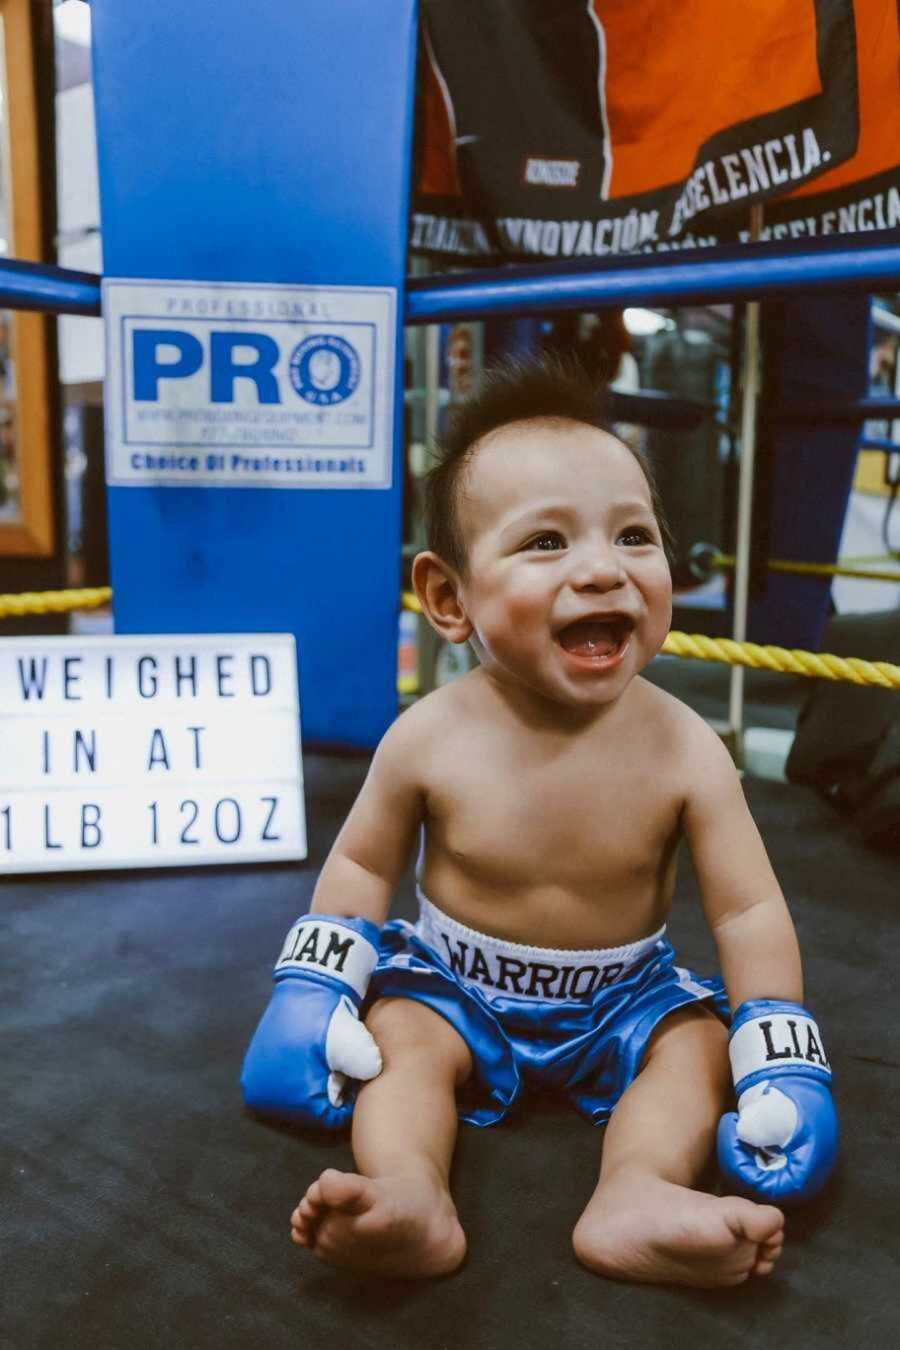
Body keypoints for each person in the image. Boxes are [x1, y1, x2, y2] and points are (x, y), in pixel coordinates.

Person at [241, 356, 837, 1288]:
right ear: (450, 597)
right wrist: (314, 988)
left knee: (699, 1050)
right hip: (455, 984)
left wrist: (780, 1049)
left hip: (624, 997)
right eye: (547, 542)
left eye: (634, 535)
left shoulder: (686, 748)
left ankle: (637, 1192)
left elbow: (748, 913)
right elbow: (361, 864)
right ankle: (407, 1189)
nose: (603, 569)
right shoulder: (428, 736)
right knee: (400, 1037)